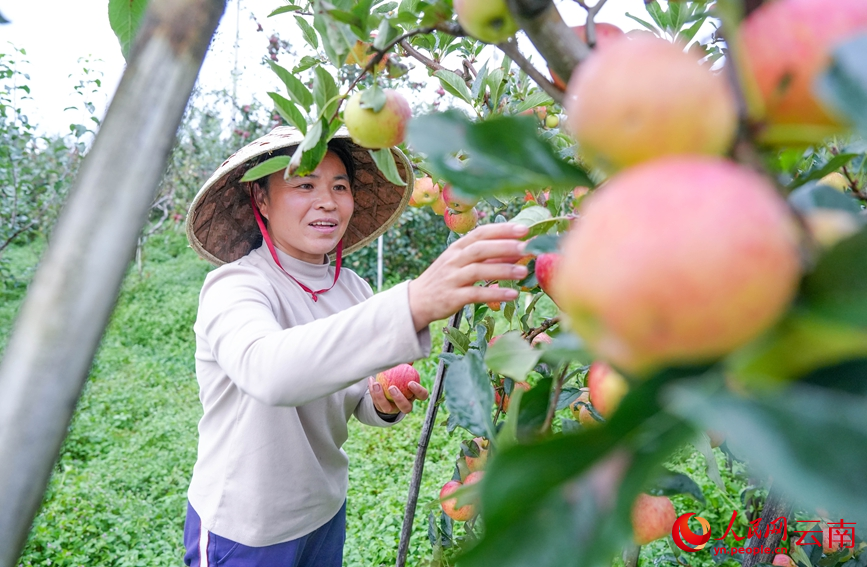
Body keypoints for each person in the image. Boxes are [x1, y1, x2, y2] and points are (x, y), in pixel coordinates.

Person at [182, 126, 529, 566]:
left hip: (323, 511)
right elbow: (269, 373)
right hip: (247, 527)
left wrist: (382, 403)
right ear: (262, 201)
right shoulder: (234, 287)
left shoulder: (353, 288)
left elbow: (358, 398)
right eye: (304, 184)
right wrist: (413, 302)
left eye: (339, 186)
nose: (327, 200)